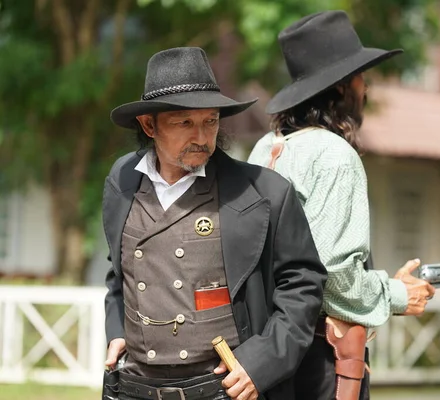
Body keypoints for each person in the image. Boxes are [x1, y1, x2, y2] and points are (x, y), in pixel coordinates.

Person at [102, 47, 327, 400]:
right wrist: (116, 329)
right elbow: (119, 274)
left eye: (210, 121)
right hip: (134, 389)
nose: (202, 136)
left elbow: (303, 289)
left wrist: (261, 362)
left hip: (222, 391)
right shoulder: (122, 181)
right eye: (185, 123)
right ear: (149, 124)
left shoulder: (265, 193)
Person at [247, 11, 436, 400]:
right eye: (362, 77)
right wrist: (398, 294)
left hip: (264, 352)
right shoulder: (335, 155)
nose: (366, 89)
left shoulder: (265, 148)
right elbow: (333, 276)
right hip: (317, 361)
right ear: (342, 87)